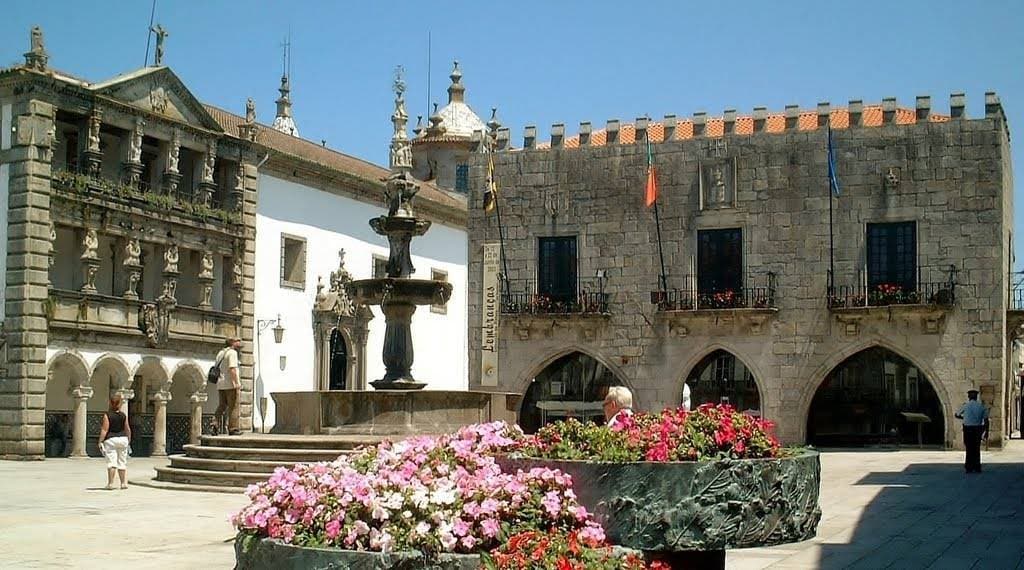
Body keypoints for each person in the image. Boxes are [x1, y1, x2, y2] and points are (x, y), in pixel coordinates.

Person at [97, 395, 131, 490]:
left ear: (110, 403)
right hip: (123, 439)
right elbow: (127, 428)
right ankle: (123, 483)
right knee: (122, 461)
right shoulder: (123, 415)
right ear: (120, 404)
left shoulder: (107, 415)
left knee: (112, 462)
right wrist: (128, 439)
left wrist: (100, 441)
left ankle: (111, 483)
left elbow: (105, 429)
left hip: (111, 440)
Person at [955, 389, 989, 473]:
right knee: (976, 448)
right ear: (976, 397)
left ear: (969, 396)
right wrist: (986, 432)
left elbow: (957, 414)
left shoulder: (965, 406)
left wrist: (964, 418)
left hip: (967, 429)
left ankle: (969, 467)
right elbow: (986, 420)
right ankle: (977, 466)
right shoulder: (981, 406)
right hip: (977, 429)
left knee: (969, 448)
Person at [213, 337, 243, 436]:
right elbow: (232, 369)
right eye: (237, 341)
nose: (240, 343)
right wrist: (236, 383)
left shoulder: (220, 353)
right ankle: (233, 428)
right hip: (230, 384)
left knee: (222, 405)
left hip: (220, 384)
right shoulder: (232, 353)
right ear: (231, 342)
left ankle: (215, 423)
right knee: (233, 406)